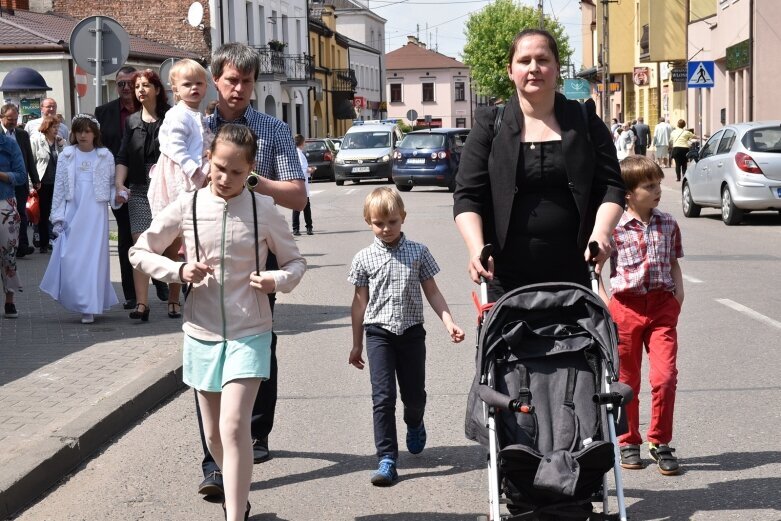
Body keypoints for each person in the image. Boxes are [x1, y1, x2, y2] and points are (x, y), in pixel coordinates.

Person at [129, 124, 306, 521]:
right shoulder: (188, 206)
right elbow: (139, 252)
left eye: (237, 172)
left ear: (251, 170)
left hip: (251, 331)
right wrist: (177, 270)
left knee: (233, 425)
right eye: (219, 167)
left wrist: (275, 279)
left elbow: (296, 262)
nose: (225, 178)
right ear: (209, 158)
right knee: (213, 437)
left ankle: (234, 515)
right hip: (202, 332)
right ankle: (237, 494)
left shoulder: (263, 209)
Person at [196, 42, 305, 502]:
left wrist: (249, 178)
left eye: (246, 81)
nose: (238, 89)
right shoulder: (196, 126)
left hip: (259, 257)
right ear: (216, 81)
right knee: (206, 357)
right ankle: (213, 461)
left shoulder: (272, 130)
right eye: (230, 80)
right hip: (205, 259)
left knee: (259, 343)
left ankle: (256, 435)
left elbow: (298, 196)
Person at [453, 28, 626, 302]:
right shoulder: (489, 125)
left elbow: (611, 186)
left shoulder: (585, 121)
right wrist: (476, 248)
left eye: (543, 60)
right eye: (524, 61)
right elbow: (467, 195)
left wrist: (601, 233)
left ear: (557, 67)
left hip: (575, 273)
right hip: (505, 277)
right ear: (511, 70)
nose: (534, 68)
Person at [348, 187, 464, 486]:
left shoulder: (419, 252)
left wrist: (448, 321)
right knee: (383, 397)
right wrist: (357, 342)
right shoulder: (363, 258)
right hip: (378, 334)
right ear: (368, 221)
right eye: (379, 223)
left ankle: (414, 422)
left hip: (412, 333)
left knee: (414, 396)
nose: (386, 229)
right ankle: (387, 458)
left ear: (403, 219)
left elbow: (433, 292)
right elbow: (360, 302)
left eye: (392, 222)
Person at [601, 155, 683, 476]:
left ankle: (660, 440)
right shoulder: (614, 229)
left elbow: (674, 263)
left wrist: (678, 296)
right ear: (628, 193)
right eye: (649, 186)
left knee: (664, 377)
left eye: (658, 184)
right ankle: (628, 440)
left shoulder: (668, 223)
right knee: (627, 381)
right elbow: (594, 270)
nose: (657, 190)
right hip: (625, 308)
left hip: (662, 306)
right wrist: (607, 305)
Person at [40, 114, 120, 324]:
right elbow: (59, 188)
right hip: (73, 214)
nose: (83, 135)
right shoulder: (67, 155)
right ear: (73, 133)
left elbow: (111, 186)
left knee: (93, 260)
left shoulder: (105, 156)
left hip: (96, 215)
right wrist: (57, 218)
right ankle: (77, 298)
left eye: (87, 131)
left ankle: (89, 306)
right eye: (79, 131)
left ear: (95, 133)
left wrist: (118, 196)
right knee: (71, 258)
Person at [114, 69, 179, 321]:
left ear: (158, 89)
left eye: (145, 85)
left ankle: (174, 299)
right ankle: (142, 304)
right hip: (140, 189)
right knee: (141, 246)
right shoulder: (131, 122)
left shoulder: (172, 117)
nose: (140, 90)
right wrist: (120, 183)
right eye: (137, 86)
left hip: (169, 188)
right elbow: (122, 156)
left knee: (172, 247)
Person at [96, 66, 152, 310]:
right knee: (126, 235)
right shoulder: (103, 112)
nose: (127, 88)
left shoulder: (149, 109)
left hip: (148, 181)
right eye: (121, 84)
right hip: (117, 183)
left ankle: (159, 279)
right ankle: (131, 293)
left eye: (132, 83)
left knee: (154, 232)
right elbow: (98, 148)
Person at [148, 59, 210, 218]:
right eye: (187, 84)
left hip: (193, 166)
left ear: (206, 87)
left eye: (199, 83)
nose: (194, 87)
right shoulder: (178, 114)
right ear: (176, 90)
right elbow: (176, 146)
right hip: (180, 169)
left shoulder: (196, 114)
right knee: (181, 212)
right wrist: (193, 169)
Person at [1, 103, 38, 258]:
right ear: (1, 117)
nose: (14, 122)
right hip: (3, 187)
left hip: (19, 180)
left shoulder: (22, 134)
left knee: (21, 213)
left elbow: (28, 157)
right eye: (10, 119)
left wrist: (35, 178)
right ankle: (12, 245)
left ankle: (21, 245)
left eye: (16, 119)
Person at [30, 115, 66, 253]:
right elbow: (31, 162)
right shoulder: (36, 140)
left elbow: (67, 158)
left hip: (58, 183)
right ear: (47, 127)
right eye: (54, 127)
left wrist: (62, 144)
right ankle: (44, 242)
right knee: (44, 213)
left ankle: (56, 239)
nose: (57, 129)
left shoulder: (59, 142)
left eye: (58, 127)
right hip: (43, 183)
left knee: (57, 212)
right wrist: (32, 183)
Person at [0, 130, 26, 318]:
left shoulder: (9, 144)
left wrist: (1, 175)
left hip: (5, 204)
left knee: (8, 254)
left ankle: (10, 300)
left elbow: (21, 175)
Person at [291, 134, 314, 236]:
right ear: (302, 143)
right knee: (304, 206)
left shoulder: (295, 153)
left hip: (298, 183)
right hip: (301, 184)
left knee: (298, 206)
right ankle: (307, 228)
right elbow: (302, 168)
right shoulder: (299, 154)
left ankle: (298, 228)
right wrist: (310, 170)